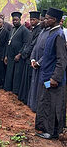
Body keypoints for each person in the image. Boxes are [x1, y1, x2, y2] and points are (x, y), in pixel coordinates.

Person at [35, 8, 67, 139]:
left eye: (47, 18)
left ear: (54, 20)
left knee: (53, 105)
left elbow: (62, 59)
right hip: (46, 75)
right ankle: (45, 128)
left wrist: (55, 78)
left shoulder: (58, 35)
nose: (45, 20)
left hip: (54, 79)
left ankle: (53, 132)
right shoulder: (51, 33)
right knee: (46, 102)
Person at [18, 11, 42, 104]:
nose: (31, 21)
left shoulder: (39, 30)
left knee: (30, 79)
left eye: (33, 20)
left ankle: (28, 99)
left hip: (32, 57)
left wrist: (26, 53)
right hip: (27, 57)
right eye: (30, 19)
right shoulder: (33, 29)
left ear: (38, 19)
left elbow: (33, 45)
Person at [3, 12, 30, 94]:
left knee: (17, 74)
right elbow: (8, 42)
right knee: (9, 72)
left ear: (20, 20)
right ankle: (8, 88)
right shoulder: (12, 29)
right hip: (10, 55)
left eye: (16, 20)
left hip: (18, 56)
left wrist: (19, 54)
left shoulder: (24, 30)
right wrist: (6, 56)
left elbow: (26, 44)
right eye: (13, 20)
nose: (14, 21)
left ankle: (16, 90)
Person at [27, 14, 50, 112]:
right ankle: (33, 105)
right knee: (34, 86)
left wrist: (39, 62)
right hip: (36, 64)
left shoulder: (52, 33)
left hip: (45, 67)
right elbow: (36, 47)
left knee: (44, 88)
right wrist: (32, 59)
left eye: (44, 19)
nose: (42, 21)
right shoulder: (42, 32)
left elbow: (49, 53)